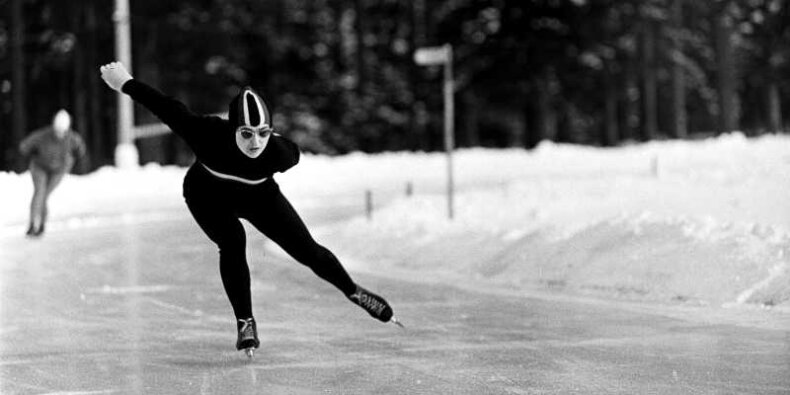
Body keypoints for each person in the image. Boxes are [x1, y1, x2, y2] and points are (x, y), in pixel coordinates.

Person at [99, 62, 400, 356]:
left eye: (263, 132)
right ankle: (246, 322)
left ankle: (353, 291)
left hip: (259, 197)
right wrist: (125, 82)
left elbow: (285, 149)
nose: (255, 142)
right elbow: (164, 105)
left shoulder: (282, 153)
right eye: (246, 133)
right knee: (232, 241)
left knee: (307, 250)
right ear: (233, 128)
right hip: (207, 194)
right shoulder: (206, 133)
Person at [18, 109, 87, 237]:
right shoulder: (43, 135)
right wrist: (31, 152)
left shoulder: (72, 138)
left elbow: (81, 148)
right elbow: (24, 145)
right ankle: (33, 224)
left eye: (62, 131)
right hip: (40, 167)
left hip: (59, 170)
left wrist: (76, 155)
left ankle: (42, 224)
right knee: (39, 192)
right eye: (57, 130)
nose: (59, 134)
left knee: (44, 195)